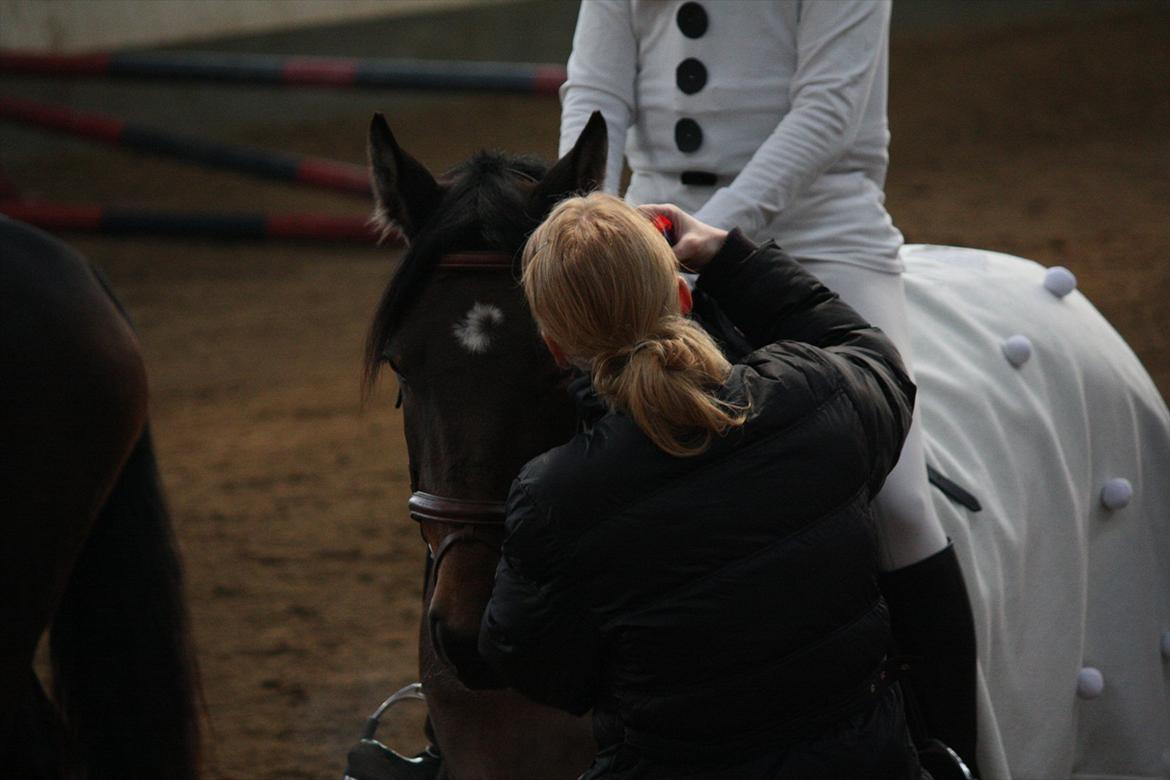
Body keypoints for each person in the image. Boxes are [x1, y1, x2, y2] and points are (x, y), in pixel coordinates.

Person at [558, 2, 979, 769]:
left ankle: (954, 751)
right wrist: (583, 224)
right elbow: (595, 95)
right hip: (644, 229)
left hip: (820, 233)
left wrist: (707, 245)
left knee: (902, 504)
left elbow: (827, 112)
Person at [478, 193, 923, 779]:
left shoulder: (553, 497)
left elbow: (528, 661)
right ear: (684, 300)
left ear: (557, 349)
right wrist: (729, 257)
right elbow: (876, 361)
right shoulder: (811, 391)